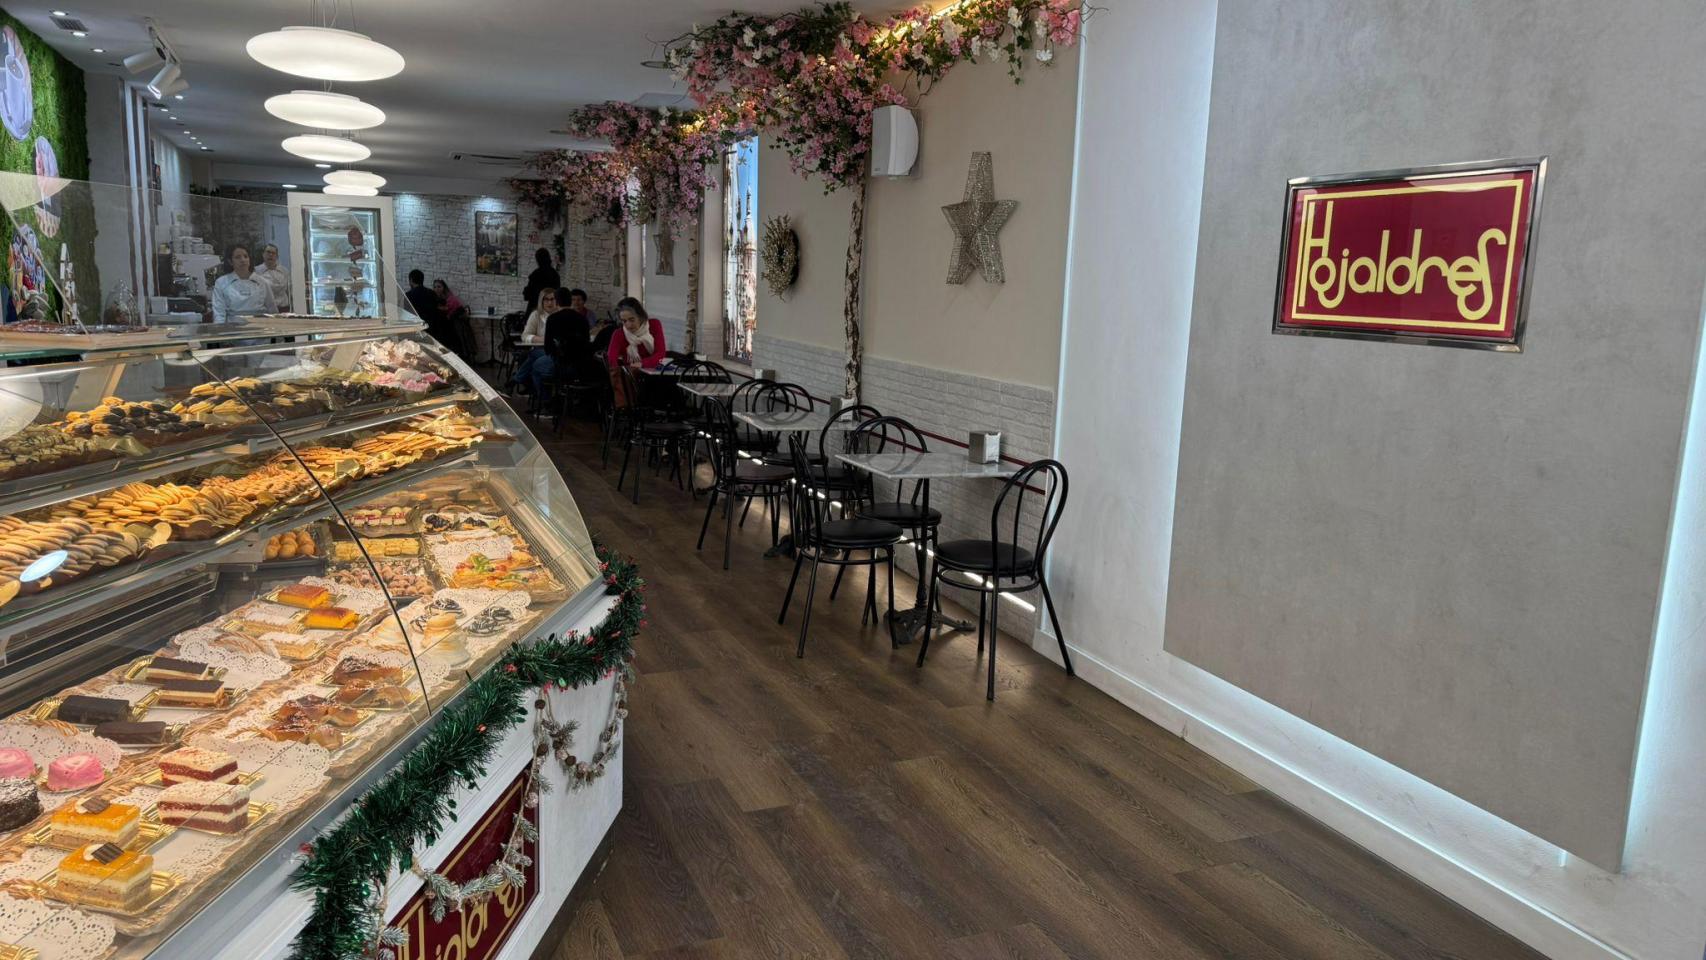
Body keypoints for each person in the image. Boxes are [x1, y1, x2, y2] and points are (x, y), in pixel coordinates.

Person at [210, 244, 277, 323]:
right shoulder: (222, 283)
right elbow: (219, 313)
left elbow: (272, 310)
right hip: (233, 331)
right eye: (238, 257)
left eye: (246, 256)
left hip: (260, 329)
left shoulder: (262, 282)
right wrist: (221, 331)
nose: (243, 260)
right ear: (230, 261)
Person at [511, 288, 557, 393]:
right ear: (541, 301)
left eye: (552, 299)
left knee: (533, 357)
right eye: (546, 299)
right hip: (542, 349)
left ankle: (515, 380)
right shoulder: (536, 315)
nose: (550, 302)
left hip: (555, 352)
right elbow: (525, 336)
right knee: (535, 355)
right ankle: (544, 399)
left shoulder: (561, 314)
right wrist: (543, 339)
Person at [606, 296, 666, 370]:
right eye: (624, 321)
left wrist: (642, 363)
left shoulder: (654, 325)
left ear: (640, 316)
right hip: (632, 375)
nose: (628, 325)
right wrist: (617, 372)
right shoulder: (619, 334)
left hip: (655, 373)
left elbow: (660, 353)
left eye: (632, 319)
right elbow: (611, 359)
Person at [404, 269, 451, 344]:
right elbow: (437, 308)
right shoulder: (431, 293)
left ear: (411, 280)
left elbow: (407, 314)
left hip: (417, 330)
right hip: (433, 329)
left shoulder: (408, 295)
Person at [434, 278, 475, 359]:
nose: (436, 289)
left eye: (439, 287)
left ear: (444, 288)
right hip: (447, 326)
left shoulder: (450, 299)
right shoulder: (436, 299)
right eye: (435, 287)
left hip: (454, 328)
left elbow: (456, 312)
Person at [252, 243, 292, 313]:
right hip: (267, 310)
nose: (270, 255)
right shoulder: (256, 272)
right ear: (263, 255)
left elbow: (288, 290)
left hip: (284, 309)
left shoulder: (284, 271)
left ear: (277, 256)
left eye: (273, 253)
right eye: (268, 252)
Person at [522, 248, 559, 314]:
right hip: (550, 308)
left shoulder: (536, 274)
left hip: (536, 307)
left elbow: (529, 293)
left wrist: (526, 291)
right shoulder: (554, 274)